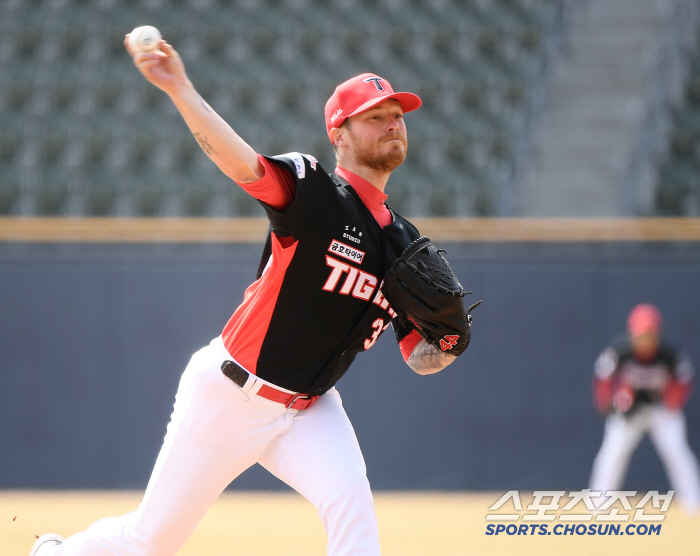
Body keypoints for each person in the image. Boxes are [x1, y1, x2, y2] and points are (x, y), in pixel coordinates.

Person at [29, 33, 471, 556]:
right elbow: (241, 164)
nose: (393, 123)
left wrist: (447, 345)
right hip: (233, 394)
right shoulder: (315, 194)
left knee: (353, 508)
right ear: (340, 133)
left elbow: (418, 360)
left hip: (311, 408)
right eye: (375, 116)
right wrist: (179, 89)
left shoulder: (403, 244)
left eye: (397, 114)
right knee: (150, 542)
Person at [589, 303, 700, 513]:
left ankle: (693, 503)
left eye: (649, 334)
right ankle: (598, 505)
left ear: (658, 333)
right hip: (629, 412)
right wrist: (606, 404)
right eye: (641, 334)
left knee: (676, 452)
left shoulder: (669, 355)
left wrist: (673, 400)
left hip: (661, 411)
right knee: (612, 453)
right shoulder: (619, 351)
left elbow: (685, 378)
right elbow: (602, 377)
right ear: (632, 332)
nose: (645, 339)